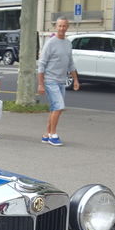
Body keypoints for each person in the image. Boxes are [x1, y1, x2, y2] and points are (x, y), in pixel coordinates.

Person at [37, 17, 79, 147]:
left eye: (64, 26)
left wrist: (76, 80)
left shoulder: (68, 43)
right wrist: (40, 83)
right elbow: (42, 64)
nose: (62, 28)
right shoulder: (50, 43)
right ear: (56, 27)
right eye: (60, 26)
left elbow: (70, 63)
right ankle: (53, 135)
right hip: (50, 80)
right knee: (59, 106)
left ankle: (47, 134)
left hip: (62, 81)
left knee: (55, 108)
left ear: (67, 27)